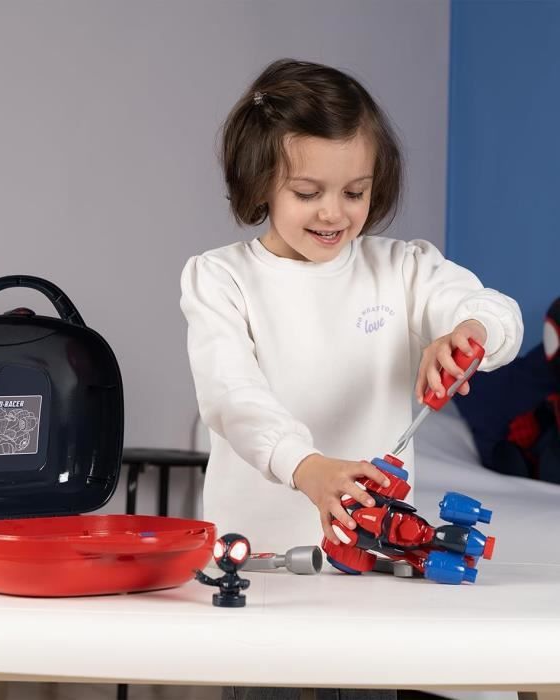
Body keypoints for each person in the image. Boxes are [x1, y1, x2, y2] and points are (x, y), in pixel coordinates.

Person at [180, 59, 523, 699]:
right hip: (259, 566)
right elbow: (231, 396)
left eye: (355, 192)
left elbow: (494, 310)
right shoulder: (220, 278)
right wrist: (307, 468)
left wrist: (467, 334)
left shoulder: (402, 268)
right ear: (260, 182)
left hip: (372, 569)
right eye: (308, 193)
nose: (333, 213)